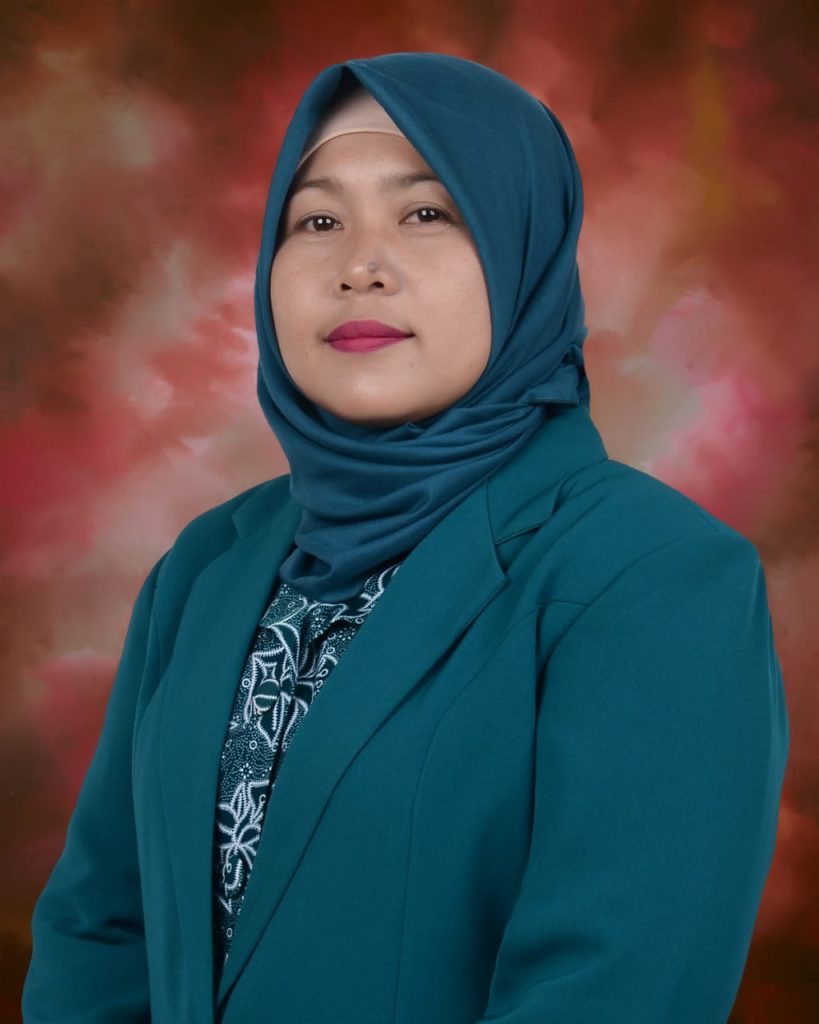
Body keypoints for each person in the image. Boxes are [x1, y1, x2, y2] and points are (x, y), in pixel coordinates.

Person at [22, 51, 790, 1024]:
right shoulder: (207, 564)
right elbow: (102, 929)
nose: (359, 265)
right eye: (317, 220)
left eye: (426, 212)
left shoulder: (655, 578)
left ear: (524, 255)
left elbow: (607, 991)